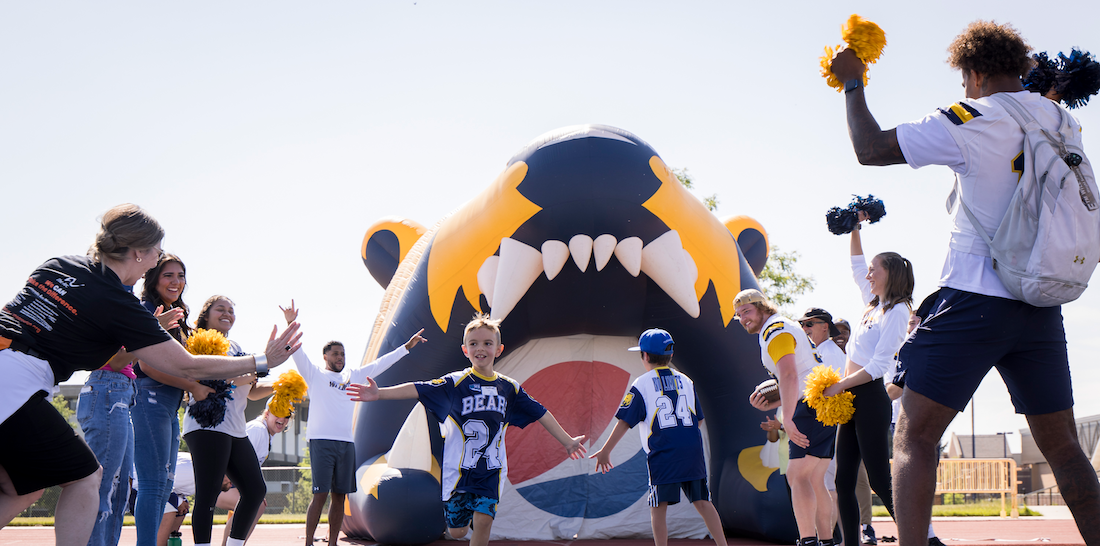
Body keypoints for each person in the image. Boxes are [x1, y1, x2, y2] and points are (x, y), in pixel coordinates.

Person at [830, 19, 1100, 546]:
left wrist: (852, 81)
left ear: (972, 74)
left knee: (915, 434)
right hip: (1040, 302)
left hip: (974, 300)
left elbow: (871, 148)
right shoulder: (1060, 120)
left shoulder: (972, 116)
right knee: (1065, 447)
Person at [0, 204, 301, 546]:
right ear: (139, 252)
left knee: (20, 486)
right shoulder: (118, 302)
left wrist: (147, 331)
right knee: (86, 478)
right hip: (14, 382)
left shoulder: (58, 264)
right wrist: (263, 359)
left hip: (12, 375)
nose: (158, 261)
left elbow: (111, 357)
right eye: (157, 254)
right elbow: (187, 365)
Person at [346, 313, 586, 546]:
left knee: (483, 522)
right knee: (458, 531)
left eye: (487, 343)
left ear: (498, 349)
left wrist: (567, 441)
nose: (480, 348)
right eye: (474, 343)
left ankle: (478, 514)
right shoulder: (454, 383)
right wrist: (380, 394)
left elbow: (540, 411)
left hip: (491, 470)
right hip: (458, 474)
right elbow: (417, 389)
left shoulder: (509, 388)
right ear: (465, 350)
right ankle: (460, 518)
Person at [280, 300, 425, 546]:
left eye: (343, 353)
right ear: (325, 356)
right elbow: (295, 350)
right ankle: (307, 542)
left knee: (340, 497)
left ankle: (333, 542)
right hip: (322, 442)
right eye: (335, 353)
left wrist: (406, 347)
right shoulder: (315, 374)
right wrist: (291, 323)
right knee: (320, 495)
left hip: (346, 444)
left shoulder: (353, 376)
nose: (340, 357)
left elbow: (381, 363)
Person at [590, 329, 729, 546]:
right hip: (692, 451)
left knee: (658, 507)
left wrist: (606, 450)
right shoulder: (686, 380)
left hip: (663, 453)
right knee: (703, 501)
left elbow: (625, 421)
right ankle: (723, 545)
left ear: (645, 356)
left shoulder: (642, 383)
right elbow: (698, 420)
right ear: (671, 355)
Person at [822, 219, 912, 546]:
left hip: (870, 398)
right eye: (871, 269)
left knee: (879, 479)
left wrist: (840, 386)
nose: (869, 274)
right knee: (844, 481)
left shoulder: (898, 310)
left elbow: (879, 365)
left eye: (876, 269)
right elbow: (856, 265)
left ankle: (918, 535)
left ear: (891, 273)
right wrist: (854, 226)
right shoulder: (870, 305)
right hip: (850, 398)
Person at [738, 289, 836, 546]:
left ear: (763, 307)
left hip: (811, 405)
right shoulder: (782, 326)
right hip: (823, 403)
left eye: (746, 311)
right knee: (815, 478)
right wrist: (774, 402)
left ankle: (808, 540)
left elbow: (791, 376)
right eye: (738, 314)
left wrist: (788, 418)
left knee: (797, 475)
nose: (742, 318)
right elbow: (796, 377)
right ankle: (825, 541)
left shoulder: (775, 330)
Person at [182, 295, 282, 546]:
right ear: (206, 315)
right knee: (208, 494)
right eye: (220, 309)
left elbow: (251, 388)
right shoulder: (197, 342)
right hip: (207, 427)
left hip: (236, 430)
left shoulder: (237, 348)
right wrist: (259, 366)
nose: (227, 313)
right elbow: (214, 382)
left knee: (255, 490)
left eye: (231, 310)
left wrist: (279, 384)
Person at [133, 254, 215, 546]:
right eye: (168, 275)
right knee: (153, 485)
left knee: (164, 483)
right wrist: (193, 386)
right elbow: (147, 366)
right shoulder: (149, 310)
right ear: (153, 278)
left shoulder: (175, 312)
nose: (176, 281)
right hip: (149, 399)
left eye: (180, 275)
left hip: (168, 405)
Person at [797, 308, 845, 540]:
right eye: (802, 325)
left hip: (826, 422)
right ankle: (827, 539)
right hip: (824, 423)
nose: (804, 329)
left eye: (809, 324)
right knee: (820, 483)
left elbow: (829, 392)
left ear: (825, 326)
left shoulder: (829, 352)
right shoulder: (821, 350)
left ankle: (829, 538)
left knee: (824, 484)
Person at [218, 406, 292, 546]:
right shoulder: (257, 429)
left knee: (256, 501)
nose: (282, 419)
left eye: (287, 416)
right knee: (255, 503)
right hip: (219, 483)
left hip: (230, 482)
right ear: (267, 413)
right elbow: (235, 459)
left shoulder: (265, 433)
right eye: (278, 413)